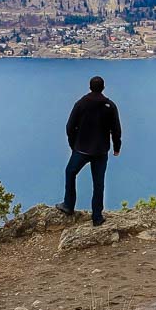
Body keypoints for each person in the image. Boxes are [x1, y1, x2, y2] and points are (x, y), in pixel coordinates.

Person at [56, 76, 122, 226]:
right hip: (101, 151)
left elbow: (69, 127)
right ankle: (97, 217)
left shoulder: (81, 104)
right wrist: (117, 147)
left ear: (90, 87)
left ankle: (68, 205)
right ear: (103, 87)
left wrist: (73, 144)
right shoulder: (110, 105)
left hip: (82, 149)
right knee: (98, 184)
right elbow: (116, 130)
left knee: (70, 172)